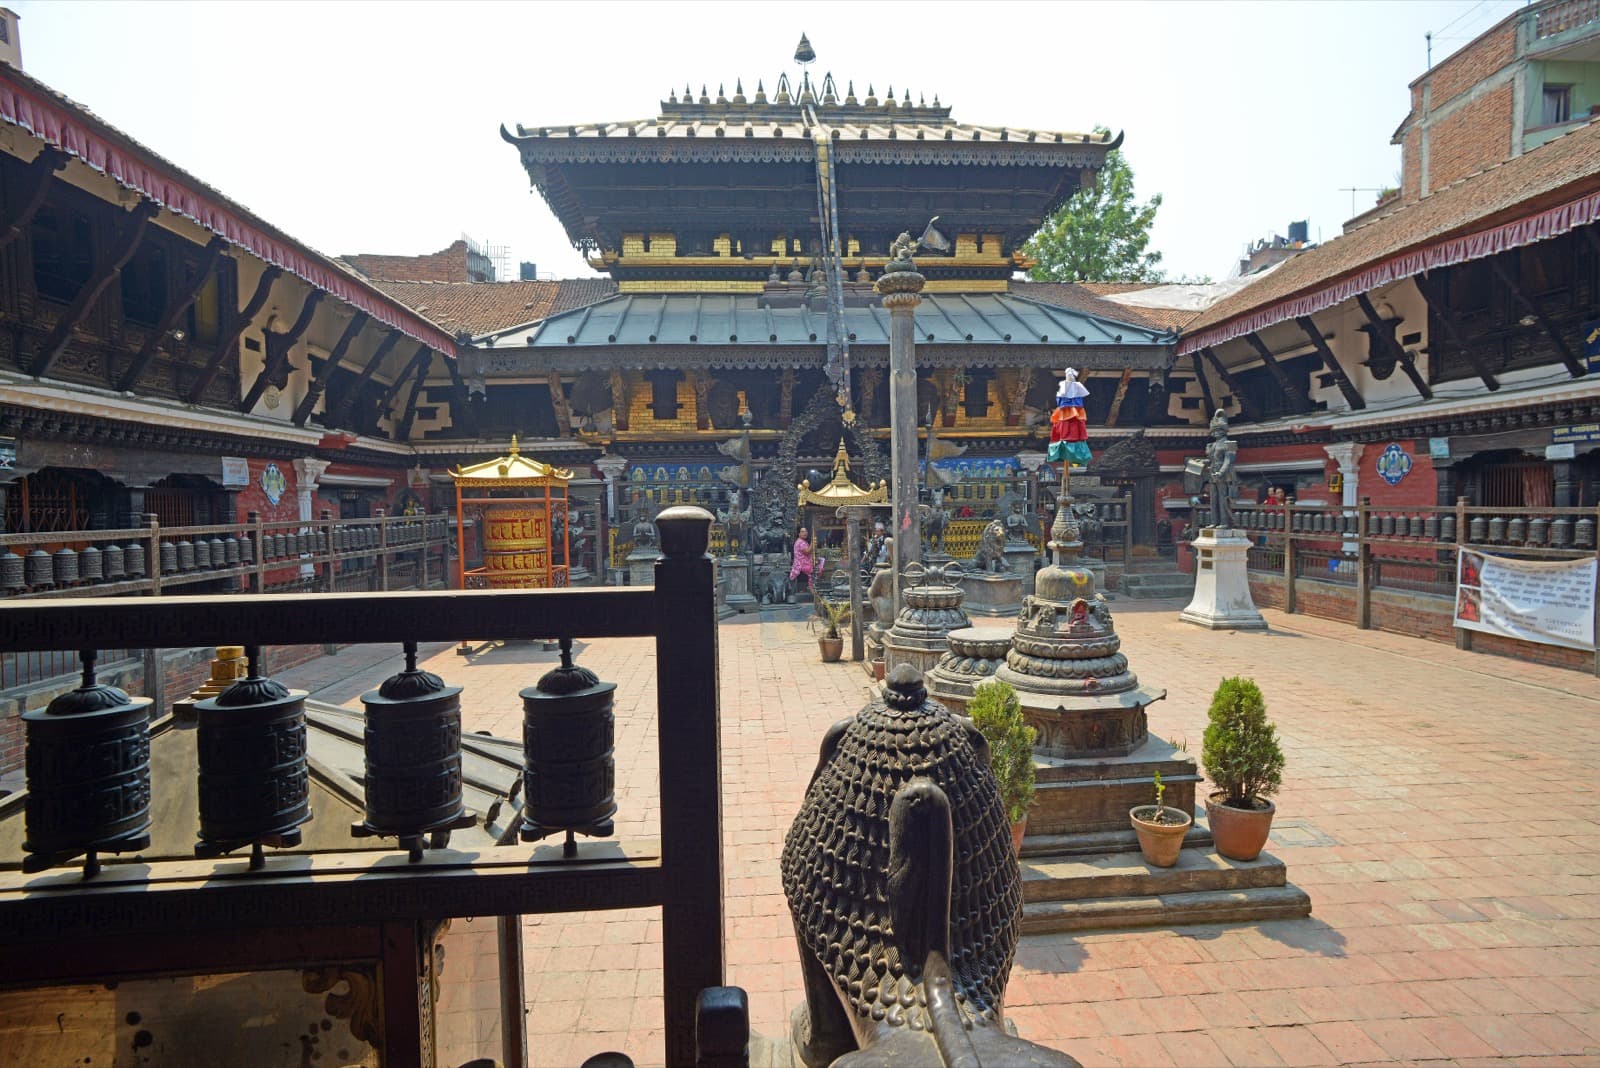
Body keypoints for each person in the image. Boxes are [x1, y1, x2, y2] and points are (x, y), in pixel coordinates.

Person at [790, 526, 815, 593]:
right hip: (801, 564)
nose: (805, 533)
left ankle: (811, 585)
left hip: (805, 562)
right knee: (814, 569)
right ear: (799, 534)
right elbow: (807, 551)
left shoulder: (802, 541)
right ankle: (810, 586)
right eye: (802, 531)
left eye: (806, 531)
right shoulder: (800, 542)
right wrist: (813, 542)